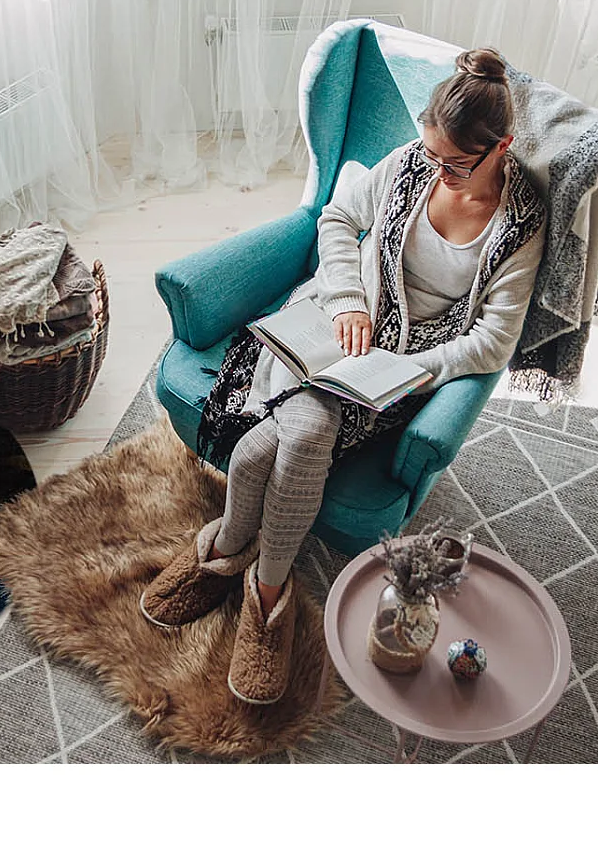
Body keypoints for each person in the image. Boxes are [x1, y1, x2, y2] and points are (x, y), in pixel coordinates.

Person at [139, 47, 548, 705]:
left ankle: (238, 569)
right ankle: (257, 585)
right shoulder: (415, 160)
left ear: (499, 147)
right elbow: (336, 216)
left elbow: (494, 340)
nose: (435, 172)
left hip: (404, 366)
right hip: (336, 318)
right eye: (430, 153)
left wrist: (415, 371)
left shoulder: (521, 223)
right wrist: (348, 301)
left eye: (454, 164)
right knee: (295, 440)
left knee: (277, 446)